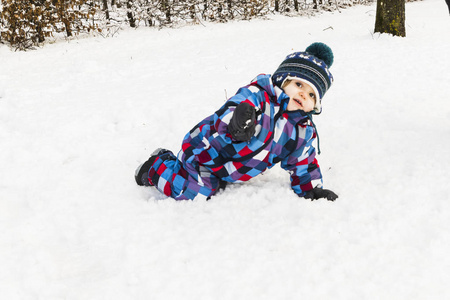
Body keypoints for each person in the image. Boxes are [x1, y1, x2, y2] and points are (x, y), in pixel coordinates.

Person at [135, 42, 338, 201]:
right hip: (205, 153)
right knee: (194, 192)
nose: (303, 93)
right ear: (282, 80)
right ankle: (157, 165)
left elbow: (303, 161)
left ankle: (217, 177)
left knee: (212, 186)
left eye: (312, 94)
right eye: (298, 84)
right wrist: (237, 122)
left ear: (315, 106)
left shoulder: (302, 131)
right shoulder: (258, 96)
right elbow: (233, 108)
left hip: (229, 170)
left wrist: (310, 188)